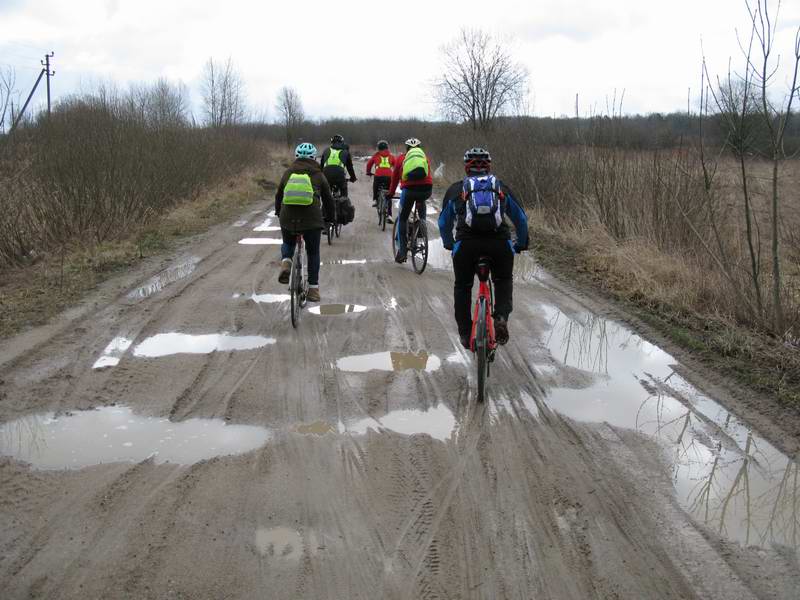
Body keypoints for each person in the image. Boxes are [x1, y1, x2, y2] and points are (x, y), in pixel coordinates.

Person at [437, 147, 529, 348]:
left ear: (466, 167)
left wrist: (449, 243)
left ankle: (464, 332)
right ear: (489, 167)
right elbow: (521, 220)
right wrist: (521, 243)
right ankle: (501, 317)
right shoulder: (500, 187)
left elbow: (444, 223)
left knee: (463, 286)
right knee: (503, 279)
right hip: (499, 243)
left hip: (466, 244)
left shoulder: (456, 189)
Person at [275, 142, 335, 303]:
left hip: (288, 217)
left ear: (296, 157)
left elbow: (279, 195)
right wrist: (330, 218)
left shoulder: (288, 172)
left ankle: (286, 261)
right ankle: (313, 289)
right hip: (312, 219)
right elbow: (328, 200)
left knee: (288, 242)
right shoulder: (318, 174)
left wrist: (278, 212)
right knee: (313, 252)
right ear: (314, 158)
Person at [386, 138, 432, 263]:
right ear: (419, 147)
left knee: (403, 218)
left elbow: (395, 178)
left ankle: (402, 252)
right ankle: (422, 228)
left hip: (409, 190)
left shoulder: (401, 158)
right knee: (421, 201)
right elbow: (428, 176)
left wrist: (390, 193)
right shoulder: (424, 157)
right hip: (426, 190)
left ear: (406, 149)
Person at [320, 134, 357, 198]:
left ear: (332, 143)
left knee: (326, 198)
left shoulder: (326, 150)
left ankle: (325, 207)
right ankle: (345, 204)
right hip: (340, 176)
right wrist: (353, 178)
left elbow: (321, 167)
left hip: (326, 175)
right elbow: (349, 167)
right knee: (344, 196)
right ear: (342, 143)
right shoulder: (345, 152)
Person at [366, 140, 396, 217]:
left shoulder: (376, 155)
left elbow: (369, 164)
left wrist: (368, 172)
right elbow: (396, 166)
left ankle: (376, 200)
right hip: (389, 176)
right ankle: (389, 214)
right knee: (389, 194)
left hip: (378, 176)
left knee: (375, 186)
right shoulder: (391, 156)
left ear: (378, 148)